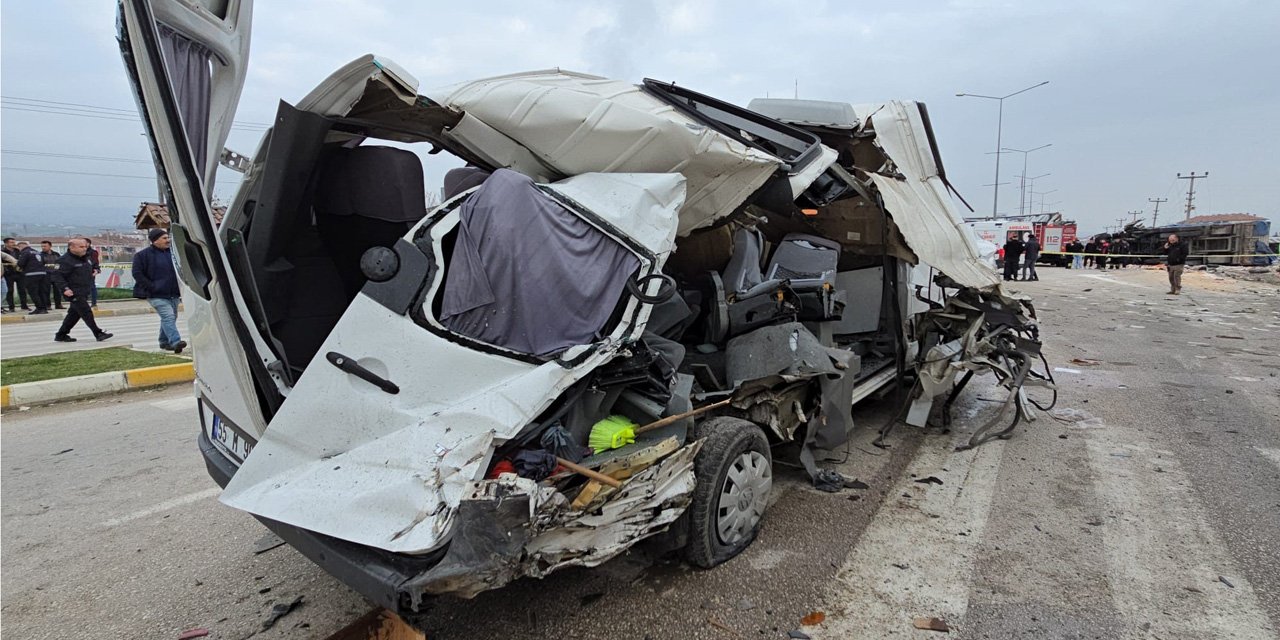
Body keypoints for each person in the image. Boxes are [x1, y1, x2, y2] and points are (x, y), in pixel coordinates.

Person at [133, 228, 186, 353]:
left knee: (171, 317)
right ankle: (175, 342)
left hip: (173, 293)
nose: (168, 240)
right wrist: (151, 286)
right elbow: (137, 273)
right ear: (155, 241)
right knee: (168, 316)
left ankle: (164, 342)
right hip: (156, 294)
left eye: (168, 238)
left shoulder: (172, 254)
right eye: (164, 238)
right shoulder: (142, 256)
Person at [51, 239, 112, 343]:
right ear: (72, 247)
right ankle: (98, 333)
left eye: (85, 246)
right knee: (86, 311)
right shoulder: (64, 260)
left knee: (73, 314)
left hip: (84, 290)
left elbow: (93, 266)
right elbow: (57, 276)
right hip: (73, 291)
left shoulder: (85, 258)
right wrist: (65, 289)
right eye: (81, 247)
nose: (84, 249)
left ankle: (61, 334)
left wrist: (96, 270)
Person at [16, 241, 50, 314]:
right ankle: (44, 308)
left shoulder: (25, 252)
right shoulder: (37, 252)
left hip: (31, 274)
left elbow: (20, 263)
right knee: (41, 292)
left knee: (33, 292)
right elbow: (44, 261)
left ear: (20, 246)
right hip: (42, 274)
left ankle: (39, 308)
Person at [2, 237, 27, 312]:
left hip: (19, 273)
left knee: (22, 290)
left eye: (14, 242)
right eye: (11, 242)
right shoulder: (2, 252)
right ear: (6, 243)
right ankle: (11, 307)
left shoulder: (18, 251)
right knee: (9, 291)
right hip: (8, 273)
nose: (14, 244)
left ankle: (24, 306)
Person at [40, 241, 64, 310]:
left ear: (50, 246)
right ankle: (48, 305)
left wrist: (57, 269)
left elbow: (59, 263)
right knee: (46, 291)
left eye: (45, 246)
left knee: (57, 290)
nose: (43, 248)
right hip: (45, 274)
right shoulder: (41, 255)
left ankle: (58, 304)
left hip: (56, 274)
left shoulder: (56, 254)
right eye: (42, 246)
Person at [83, 238, 101, 307]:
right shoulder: (80, 252)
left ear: (89, 244)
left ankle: (94, 302)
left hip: (91, 272)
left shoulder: (93, 252)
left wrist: (96, 270)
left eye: (85, 243)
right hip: (80, 272)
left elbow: (95, 262)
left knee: (92, 287)